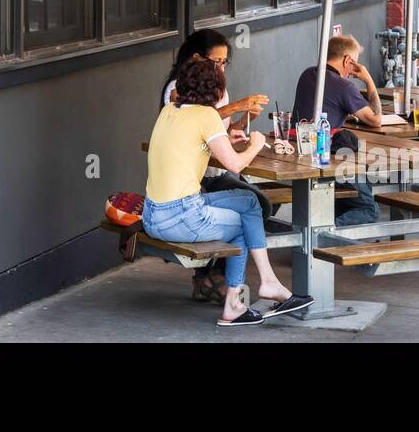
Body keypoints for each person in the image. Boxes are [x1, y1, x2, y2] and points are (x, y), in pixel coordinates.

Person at [144, 57, 314, 326]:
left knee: (249, 202)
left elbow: (189, 144)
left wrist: (227, 137)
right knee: (244, 225)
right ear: (216, 90)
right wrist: (256, 144)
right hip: (180, 218)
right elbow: (235, 164)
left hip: (153, 214)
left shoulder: (170, 111)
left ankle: (268, 283)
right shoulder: (207, 115)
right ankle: (237, 303)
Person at [160, 30, 272, 306]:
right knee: (251, 210)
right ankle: (217, 279)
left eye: (224, 62)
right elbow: (195, 116)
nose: (220, 68)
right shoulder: (178, 88)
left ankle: (216, 276)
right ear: (196, 57)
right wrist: (242, 118)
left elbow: (218, 130)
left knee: (257, 204)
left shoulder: (216, 87)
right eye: (215, 61)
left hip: (212, 173)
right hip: (193, 183)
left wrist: (242, 121)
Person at [291, 34, 381, 227]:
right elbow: (376, 119)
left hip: (298, 151)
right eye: (354, 64)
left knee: (346, 199)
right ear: (348, 60)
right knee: (369, 209)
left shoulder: (307, 74)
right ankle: (321, 231)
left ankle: (324, 231)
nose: (353, 70)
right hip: (327, 158)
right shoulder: (343, 85)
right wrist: (368, 79)